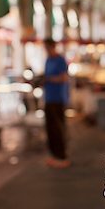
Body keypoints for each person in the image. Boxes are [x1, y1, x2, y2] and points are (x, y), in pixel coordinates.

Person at [43, 38, 71, 169]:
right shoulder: (48, 60)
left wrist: (49, 79)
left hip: (58, 98)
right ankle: (54, 154)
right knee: (50, 129)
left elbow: (64, 78)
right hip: (48, 98)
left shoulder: (60, 60)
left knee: (58, 128)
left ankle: (62, 156)